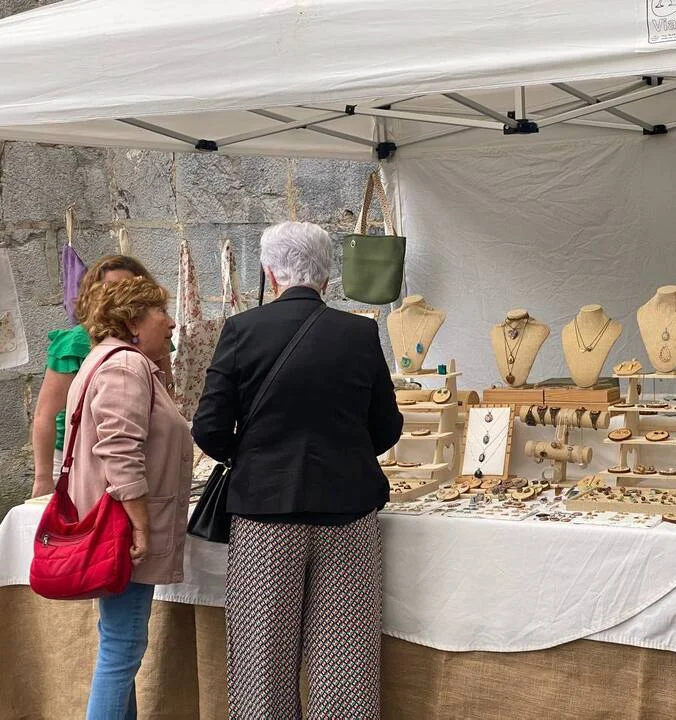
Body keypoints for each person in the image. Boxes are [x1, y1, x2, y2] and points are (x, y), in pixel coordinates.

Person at [192, 221, 403, 719]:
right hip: (347, 512)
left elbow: (209, 428)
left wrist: (253, 456)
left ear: (270, 273)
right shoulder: (359, 332)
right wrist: (346, 454)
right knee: (345, 665)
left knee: (261, 665)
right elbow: (387, 427)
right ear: (327, 276)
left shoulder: (242, 330)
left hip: (265, 512)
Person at [66, 276, 192, 720]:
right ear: (133, 320)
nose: (172, 323)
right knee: (122, 647)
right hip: (123, 526)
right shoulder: (124, 367)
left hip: (115, 520)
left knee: (119, 642)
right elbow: (120, 452)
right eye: (162, 312)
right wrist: (140, 524)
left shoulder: (116, 360)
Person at [31, 255, 173, 498]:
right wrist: (43, 478)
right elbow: (46, 414)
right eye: (111, 289)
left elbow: (166, 393)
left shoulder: (152, 338)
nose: (119, 297)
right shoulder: (75, 342)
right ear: (94, 296)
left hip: (137, 446)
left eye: (128, 288)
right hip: (76, 454)